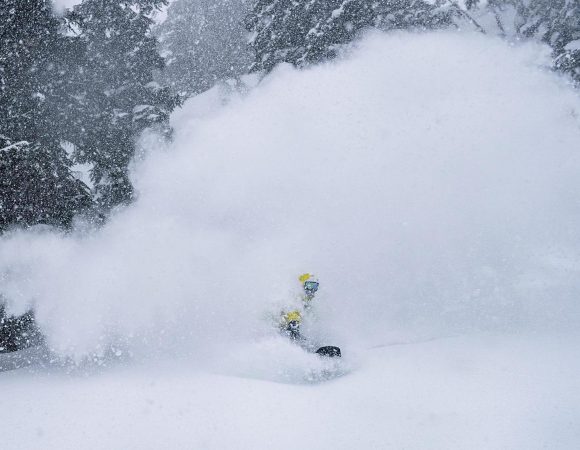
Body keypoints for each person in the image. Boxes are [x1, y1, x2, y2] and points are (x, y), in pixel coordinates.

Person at [279, 273, 319, 342]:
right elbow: (293, 313)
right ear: (302, 285)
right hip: (283, 328)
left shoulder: (307, 304)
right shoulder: (295, 299)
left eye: (315, 286)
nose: (312, 290)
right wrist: (294, 324)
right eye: (309, 285)